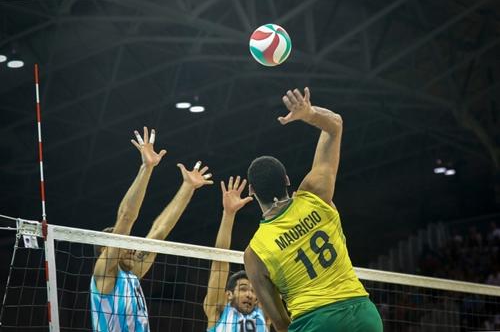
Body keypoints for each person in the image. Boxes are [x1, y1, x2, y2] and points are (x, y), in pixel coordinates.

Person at [243, 88, 383, 332]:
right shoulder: (315, 194)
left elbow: (280, 322)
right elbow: (335, 125)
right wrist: (309, 114)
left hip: (316, 322)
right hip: (364, 314)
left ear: (252, 191)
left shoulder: (254, 253)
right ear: (287, 179)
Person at [91, 126, 213, 332]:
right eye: (122, 242)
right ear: (105, 251)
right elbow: (126, 217)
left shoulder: (132, 274)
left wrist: (188, 187)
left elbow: (159, 232)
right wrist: (146, 168)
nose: (129, 246)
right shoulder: (105, 274)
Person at [204, 176, 268, 332]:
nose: (249, 295)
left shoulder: (264, 316)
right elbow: (220, 261)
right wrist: (229, 214)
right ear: (229, 295)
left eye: (253, 291)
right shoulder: (218, 311)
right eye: (243, 289)